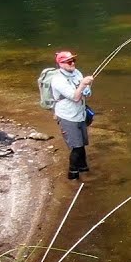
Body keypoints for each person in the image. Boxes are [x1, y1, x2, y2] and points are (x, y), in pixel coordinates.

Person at [48, 49, 94, 180]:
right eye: (69, 61)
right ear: (61, 64)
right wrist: (83, 84)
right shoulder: (57, 80)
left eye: (73, 60)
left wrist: (87, 88)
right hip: (67, 116)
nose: (72, 63)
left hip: (80, 114)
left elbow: (86, 92)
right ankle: (72, 174)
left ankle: (84, 168)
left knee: (82, 144)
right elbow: (75, 97)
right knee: (76, 146)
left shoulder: (77, 72)